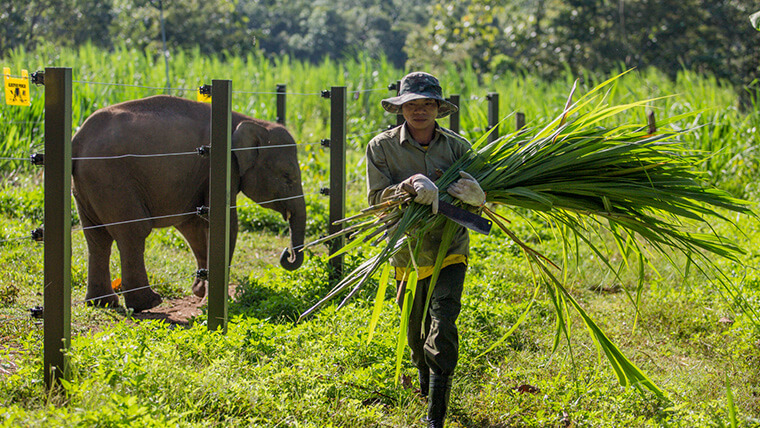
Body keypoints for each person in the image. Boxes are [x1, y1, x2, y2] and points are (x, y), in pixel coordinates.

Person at [365, 71, 485, 428]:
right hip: (408, 252)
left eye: (427, 104)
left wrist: (480, 198)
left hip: (450, 247)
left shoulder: (458, 148)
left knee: (443, 322)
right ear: (401, 109)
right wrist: (407, 185)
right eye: (412, 105)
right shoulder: (381, 147)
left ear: (438, 108)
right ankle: (424, 378)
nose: (419, 111)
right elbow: (375, 201)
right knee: (416, 333)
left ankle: (437, 413)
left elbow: (480, 192)